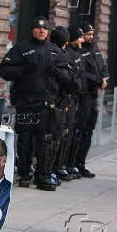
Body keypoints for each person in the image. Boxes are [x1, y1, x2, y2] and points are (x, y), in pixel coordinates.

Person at [0, 16, 62, 191]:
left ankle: (42, 176)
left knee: (44, 141)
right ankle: (25, 175)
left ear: (48, 31)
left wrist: (57, 72)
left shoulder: (55, 50)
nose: (41, 31)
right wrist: (24, 69)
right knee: (25, 140)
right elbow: (3, 70)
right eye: (38, 28)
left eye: (44, 28)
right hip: (26, 102)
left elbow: (69, 75)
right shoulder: (22, 48)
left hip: (46, 104)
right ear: (32, 30)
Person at [70, 21, 109, 178]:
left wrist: (105, 78)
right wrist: (99, 82)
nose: (90, 37)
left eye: (92, 34)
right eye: (87, 34)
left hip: (93, 96)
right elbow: (83, 74)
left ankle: (81, 163)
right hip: (84, 96)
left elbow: (103, 66)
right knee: (78, 129)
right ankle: (72, 164)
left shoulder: (95, 49)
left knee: (88, 130)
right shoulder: (79, 51)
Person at [49, 26, 82, 181]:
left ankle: (49, 169)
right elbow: (71, 81)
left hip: (54, 99)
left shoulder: (47, 52)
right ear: (66, 41)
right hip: (59, 101)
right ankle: (51, 170)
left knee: (54, 136)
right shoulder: (64, 56)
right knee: (57, 136)